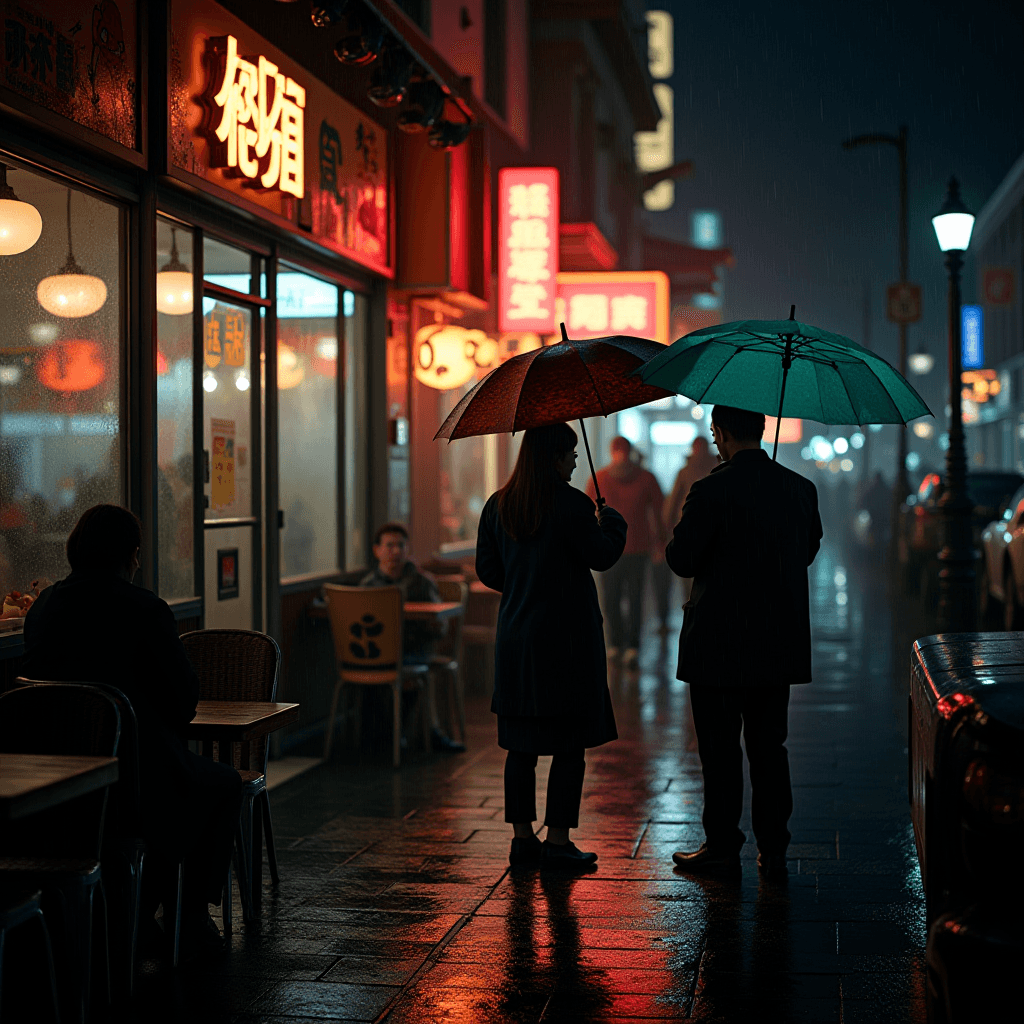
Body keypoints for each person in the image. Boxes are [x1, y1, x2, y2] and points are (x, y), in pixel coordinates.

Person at [21, 504, 242, 956]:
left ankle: (134, 914)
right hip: (138, 780)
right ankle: (190, 915)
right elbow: (183, 703)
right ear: (131, 555)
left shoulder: (44, 607)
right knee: (222, 784)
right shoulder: (146, 610)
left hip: (56, 786)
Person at [665, 405, 822, 881]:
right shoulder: (798, 488)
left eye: (715, 432)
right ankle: (773, 847)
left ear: (723, 432)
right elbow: (808, 550)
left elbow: (681, 558)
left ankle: (722, 845)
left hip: (718, 641)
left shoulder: (710, 488)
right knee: (770, 747)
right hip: (776, 640)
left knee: (719, 749)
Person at [477, 423, 627, 868]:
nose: (576, 461)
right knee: (568, 746)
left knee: (520, 747)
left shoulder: (498, 505)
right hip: (568, 642)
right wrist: (613, 524)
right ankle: (558, 842)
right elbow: (601, 555)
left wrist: (523, 585)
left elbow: (488, 570)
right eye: (571, 454)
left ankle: (522, 841)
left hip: (518, 642)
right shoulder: (574, 504)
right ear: (554, 457)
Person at [360, 522, 465, 753]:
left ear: (408, 549)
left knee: (411, 676)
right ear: (377, 550)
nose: (395, 551)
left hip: (415, 651)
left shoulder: (421, 582)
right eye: (389, 546)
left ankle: (416, 736)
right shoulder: (368, 585)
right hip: (377, 653)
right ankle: (383, 739)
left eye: (400, 546)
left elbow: (440, 626)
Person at [585, 436, 664, 667]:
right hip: (610, 549)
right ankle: (618, 643)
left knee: (634, 597)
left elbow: (658, 511)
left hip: (634, 549)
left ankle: (631, 645)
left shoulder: (644, 479)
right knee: (612, 599)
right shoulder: (599, 479)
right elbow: (587, 515)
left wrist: (659, 542)